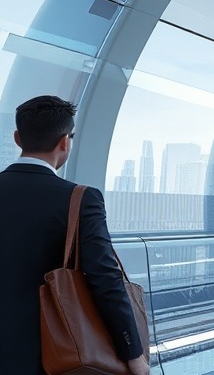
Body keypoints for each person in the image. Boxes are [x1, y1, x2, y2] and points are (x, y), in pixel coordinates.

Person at [0, 95, 150, 375]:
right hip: (49, 354)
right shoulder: (80, 198)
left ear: (18, 138)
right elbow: (104, 278)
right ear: (65, 142)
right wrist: (133, 353)